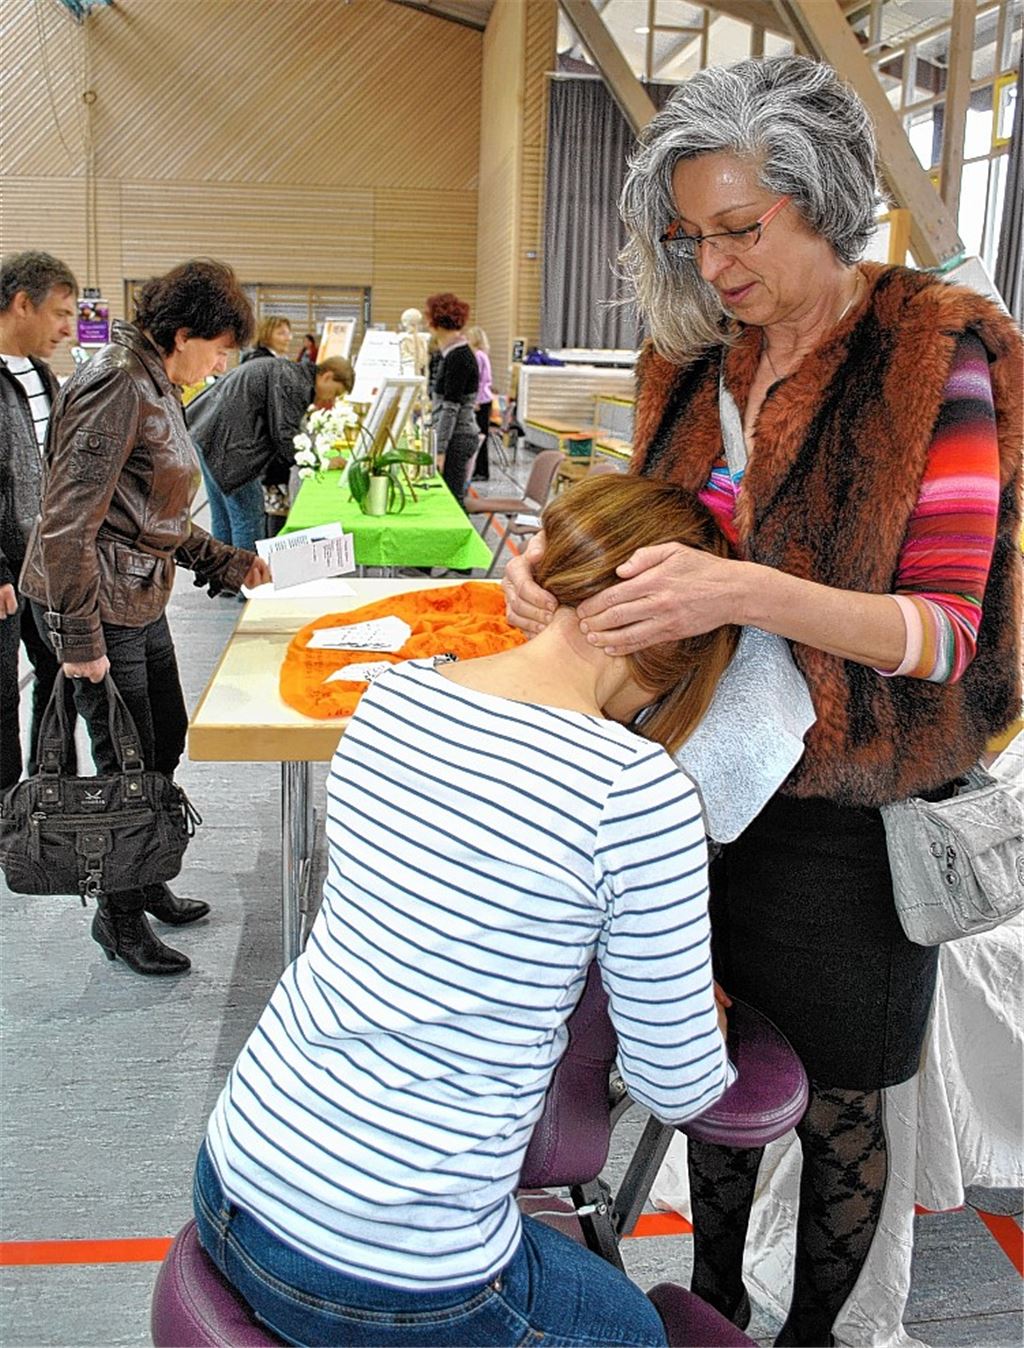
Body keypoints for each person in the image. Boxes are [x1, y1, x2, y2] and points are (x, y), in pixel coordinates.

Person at [504, 55, 1023, 1348]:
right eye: (692, 236)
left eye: (742, 230)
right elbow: (640, 550)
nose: (716, 264)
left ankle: (812, 1337)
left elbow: (943, 638)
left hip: (851, 825)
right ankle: (723, 1307)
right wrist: (564, 593)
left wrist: (738, 593)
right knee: (714, 1098)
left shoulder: (929, 354)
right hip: (695, 802)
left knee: (846, 1111)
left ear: (823, 197)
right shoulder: (689, 363)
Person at [194, 473, 738, 1348]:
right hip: (390, 1265)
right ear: (676, 649)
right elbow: (682, 1085)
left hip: (237, 1166)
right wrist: (698, 1002)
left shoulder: (396, 696)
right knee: (637, 1330)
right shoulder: (637, 793)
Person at [19, 259, 272, 977]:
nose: (221, 363)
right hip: (96, 601)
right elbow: (68, 520)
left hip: (135, 593)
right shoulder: (117, 383)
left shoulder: (152, 379)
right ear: (184, 332)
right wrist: (78, 640)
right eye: (219, 347)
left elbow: (150, 516)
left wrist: (227, 561)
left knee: (162, 742)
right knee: (126, 764)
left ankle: (145, 873)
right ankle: (118, 918)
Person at [0, 250, 79, 791]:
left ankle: (51, 795)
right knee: (4, 697)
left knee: (60, 682)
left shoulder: (44, 375)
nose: (69, 329)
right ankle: (6, 813)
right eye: (61, 313)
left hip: (45, 566)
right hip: (6, 571)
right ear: (22, 303)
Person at [186, 354, 354, 551]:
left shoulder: (292, 373)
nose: (331, 399)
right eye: (334, 393)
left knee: (223, 516)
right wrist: (319, 462)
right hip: (232, 448)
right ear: (327, 376)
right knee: (247, 519)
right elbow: (285, 436)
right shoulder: (296, 383)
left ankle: (222, 578)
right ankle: (247, 578)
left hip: (208, 432)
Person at [425, 291, 478, 509]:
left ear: (434, 322)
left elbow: (450, 409)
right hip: (454, 435)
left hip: (458, 437)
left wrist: (440, 450)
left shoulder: (459, 357)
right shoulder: (452, 354)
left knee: (453, 502)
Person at [466, 324, 493, 480]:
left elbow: (478, 380)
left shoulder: (477, 356)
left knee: (479, 437)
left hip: (480, 400)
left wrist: (474, 400)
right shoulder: (483, 354)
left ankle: (480, 471)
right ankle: (481, 470)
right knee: (482, 436)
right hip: (485, 399)